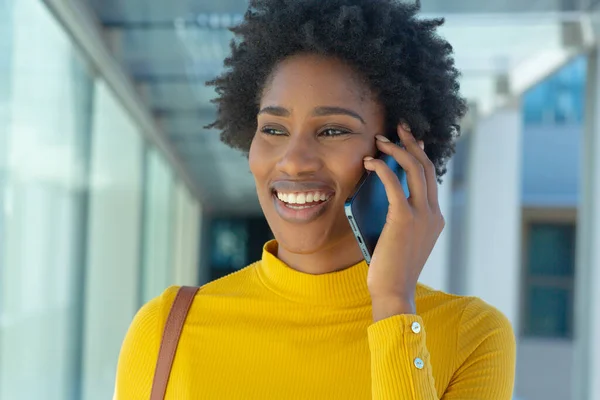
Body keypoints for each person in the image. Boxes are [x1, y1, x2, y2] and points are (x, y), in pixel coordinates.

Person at [114, 0, 516, 398]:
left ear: (399, 155)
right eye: (273, 129)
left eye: (332, 131)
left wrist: (393, 304)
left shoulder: (472, 336)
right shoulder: (167, 328)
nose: (293, 162)